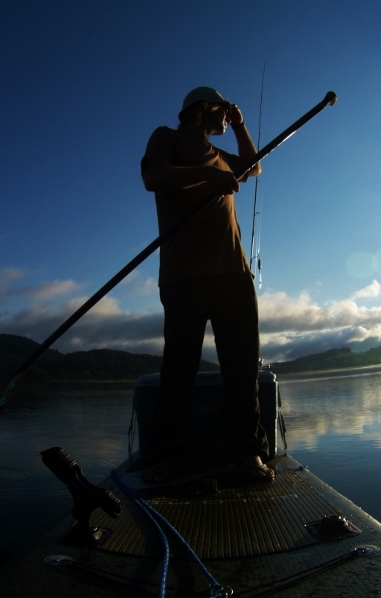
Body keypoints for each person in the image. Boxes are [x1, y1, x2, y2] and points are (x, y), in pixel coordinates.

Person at [140, 86, 274, 483]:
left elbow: (254, 167)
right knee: (178, 369)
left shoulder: (223, 155)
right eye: (222, 109)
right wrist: (205, 176)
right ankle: (167, 459)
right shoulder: (167, 137)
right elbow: (152, 177)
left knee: (242, 366)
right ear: (200, 111)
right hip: (184, 274)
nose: (227, 114)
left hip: (232, 272)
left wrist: (240, 126)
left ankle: (249, 454)